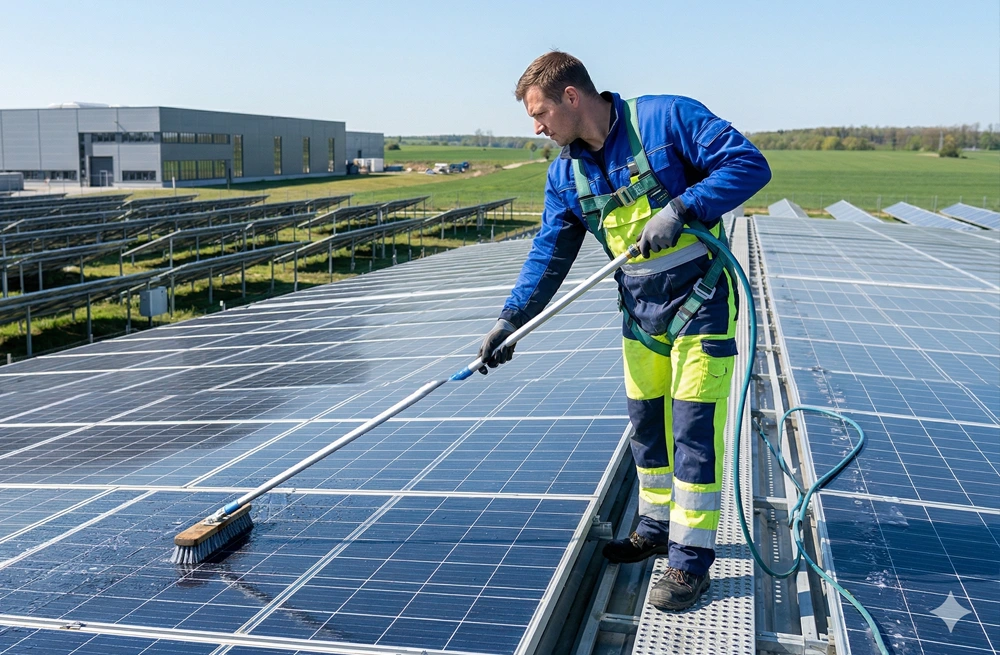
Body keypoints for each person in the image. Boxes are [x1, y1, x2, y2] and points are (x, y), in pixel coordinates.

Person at [478, 51, 771, 611]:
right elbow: (548, 255)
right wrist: (510, 319)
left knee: (692, 431)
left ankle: (688, 565)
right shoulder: (565, 174)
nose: (537, 128)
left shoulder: (667, 121)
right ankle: (654, 528)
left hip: (700, 305)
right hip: (640, 314)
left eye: (540, 114)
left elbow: (749, 165)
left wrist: (685, 207)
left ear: (571, 97)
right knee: (647, 428)